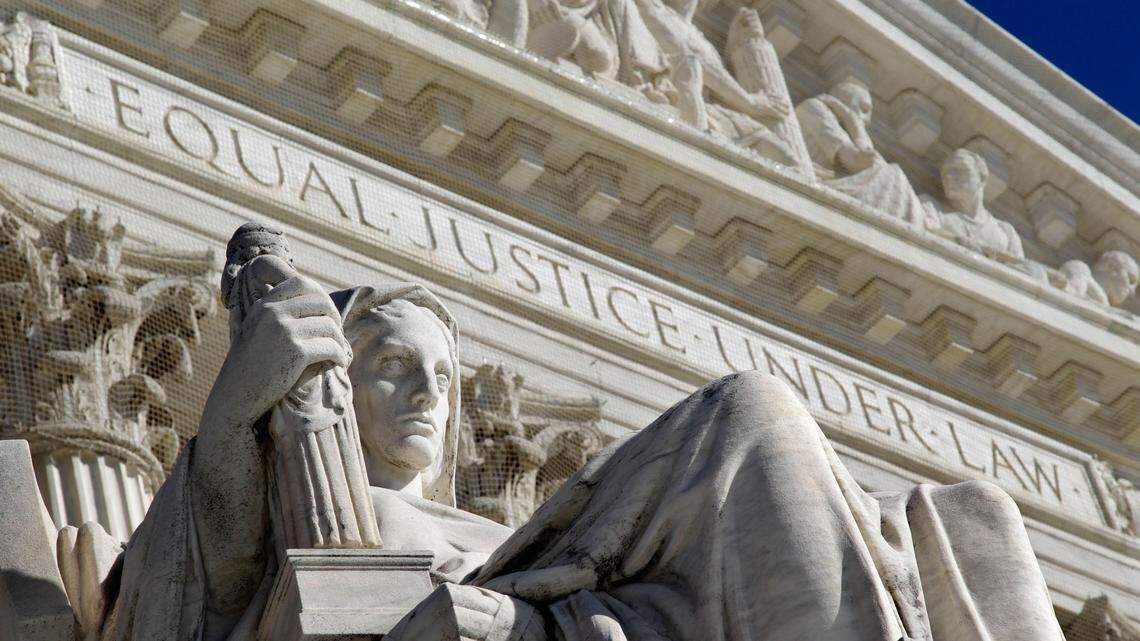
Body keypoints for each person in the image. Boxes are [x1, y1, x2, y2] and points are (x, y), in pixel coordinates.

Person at [61, 225, 1065, 641]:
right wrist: (239, 407)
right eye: (394, 365)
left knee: (973, 516)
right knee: (751, 413)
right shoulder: (270, 493)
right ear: (336, 377)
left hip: (577, 610)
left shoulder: (482, 522)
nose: (425, 392)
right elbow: (167, 615)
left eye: (445, 377)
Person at [797, 83, 928, 228]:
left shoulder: (845, 129)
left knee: (893, 177)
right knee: (893, 175)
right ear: (843, 100)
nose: (868, 120)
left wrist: (851, 121)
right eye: (864, 109)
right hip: (818, 181)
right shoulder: (814, 107)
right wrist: (852, 121)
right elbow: (859, 161)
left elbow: (868, 162)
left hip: (832, 183)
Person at [924, 148, 1024, 262]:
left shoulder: (1005, 231)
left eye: (960, 169)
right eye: (945, 172)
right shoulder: (932, 208)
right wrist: (959, 241)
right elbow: (924, 231)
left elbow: (1020, 267)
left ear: (982, 178)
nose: (949, 176)